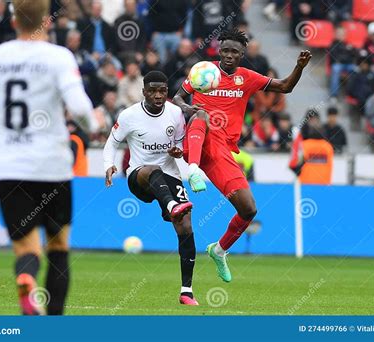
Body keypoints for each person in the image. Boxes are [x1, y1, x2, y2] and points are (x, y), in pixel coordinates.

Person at [0, 0, 95, 315]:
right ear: (47, 21)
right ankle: (54, 321)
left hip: (8, 166)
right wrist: (96, 125)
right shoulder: (58, 57)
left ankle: (25, 278)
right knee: (58, 247)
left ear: (12, 20)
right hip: (51, 165)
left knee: (26, 248)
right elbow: (81, 109)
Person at [173, 28, 312, 282]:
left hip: (221, 151)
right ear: (218, 50)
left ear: (241, 54)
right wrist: (187, 107)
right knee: (201, 115)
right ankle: (192, 169)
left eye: (234, 52)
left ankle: (219, 250)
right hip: (197, 138)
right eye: (224, 50)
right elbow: (178, 97)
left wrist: (299, 67)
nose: (228, 55)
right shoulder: (204, 71)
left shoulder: (246, 78)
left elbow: (285, 87)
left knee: (249, 209)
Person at [103, 71, 198, 305]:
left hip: (170, 175)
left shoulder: (176, 113)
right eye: (153, 91)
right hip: (140, 177)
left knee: (185, 226)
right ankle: (172, 205)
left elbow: (178, 144)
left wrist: (178, 152)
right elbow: (112, 142)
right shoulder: (129, 116)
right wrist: (109, 165)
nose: (158, 95)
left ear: (167, 92)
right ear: (144, 91)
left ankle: (187, 291)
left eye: (162, 91)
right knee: (152, 169)